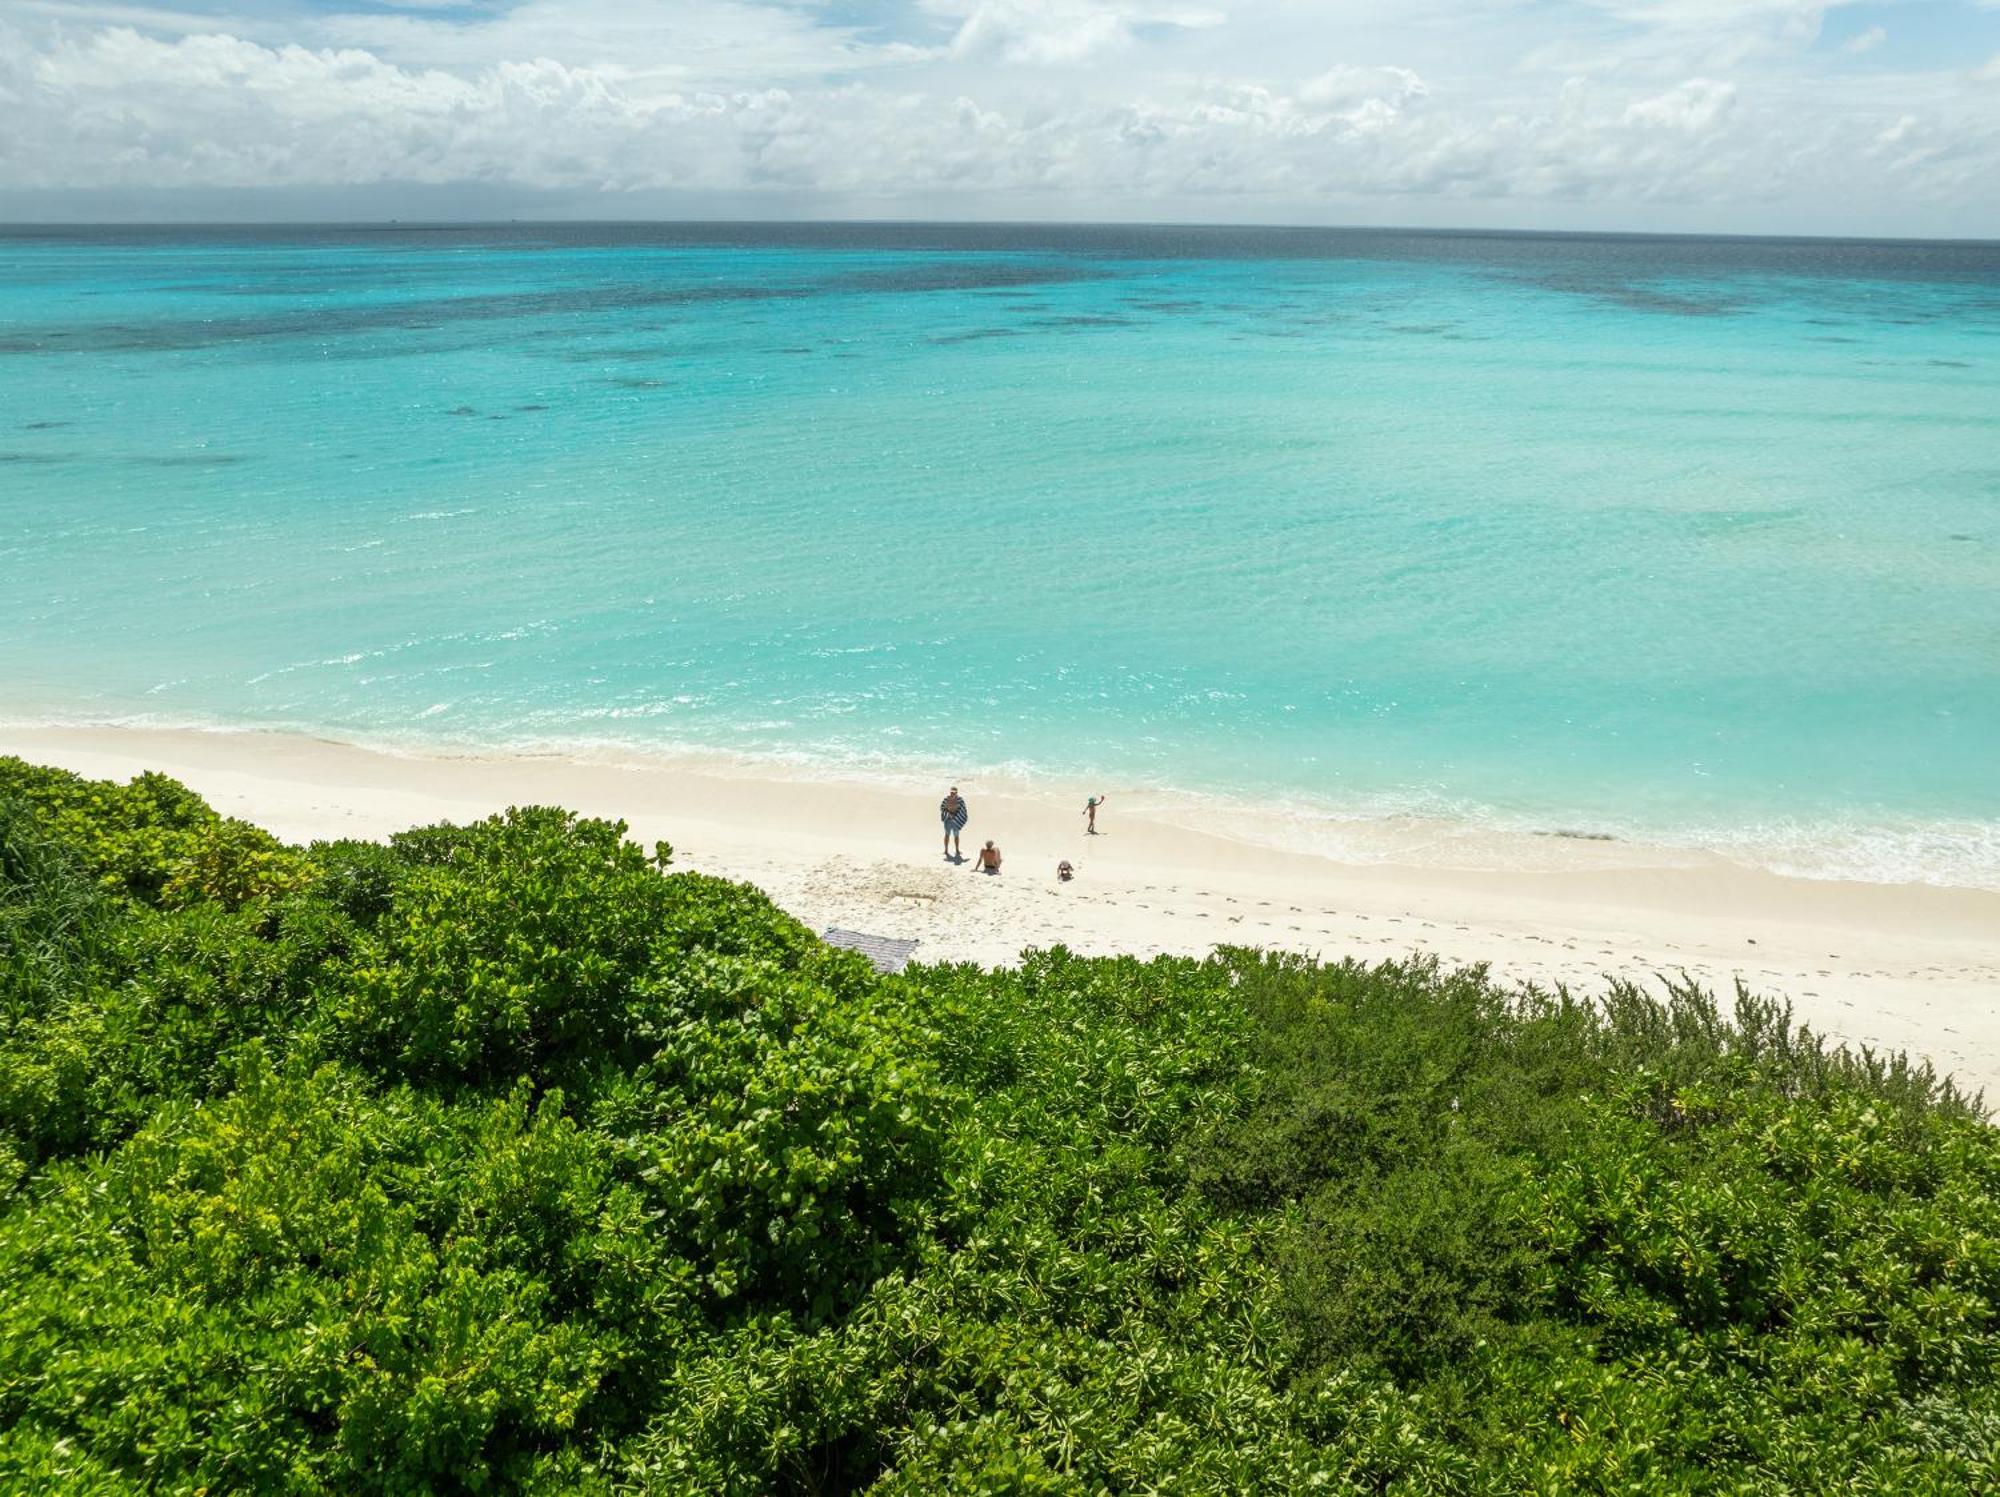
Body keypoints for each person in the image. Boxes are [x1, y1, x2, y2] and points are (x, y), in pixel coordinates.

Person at [940, 786, 968, 860]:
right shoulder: (946, 799)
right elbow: (942, 808)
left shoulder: (960, 800)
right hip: (948, 820)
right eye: (951, 792)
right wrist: (949, 813)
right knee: (947, 835)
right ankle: (946, 850)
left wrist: (955, 814)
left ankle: (957, 850)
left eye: (954, 792)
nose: (952, 793)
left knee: (956, 836)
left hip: (956, 821)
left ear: (956, 792)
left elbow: (963, 810)